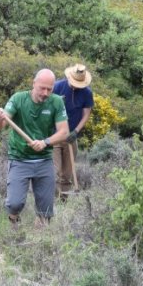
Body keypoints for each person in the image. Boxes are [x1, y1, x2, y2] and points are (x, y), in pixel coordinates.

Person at [0, 68, 68, 225]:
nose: (45, 92)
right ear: (34, 84)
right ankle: (14, 223)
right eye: (42, 88)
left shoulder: (56, 102)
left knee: (46, 212)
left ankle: (41, 235)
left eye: (49, 89)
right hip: (19, 159)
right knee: (14, 204)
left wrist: (45, 142)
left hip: (44, 160)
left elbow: (64, 132)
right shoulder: (18, 99)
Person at [51, 63, 93, 199]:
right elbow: (46, 106)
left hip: (71, 136)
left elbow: (86, 114)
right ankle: (52, 200)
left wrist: (76, 131)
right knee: (54, 171)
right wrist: (56, 102)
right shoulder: (57, 87)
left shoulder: (87, 93)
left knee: (67, 173)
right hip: (55, 135)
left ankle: (64, 200)